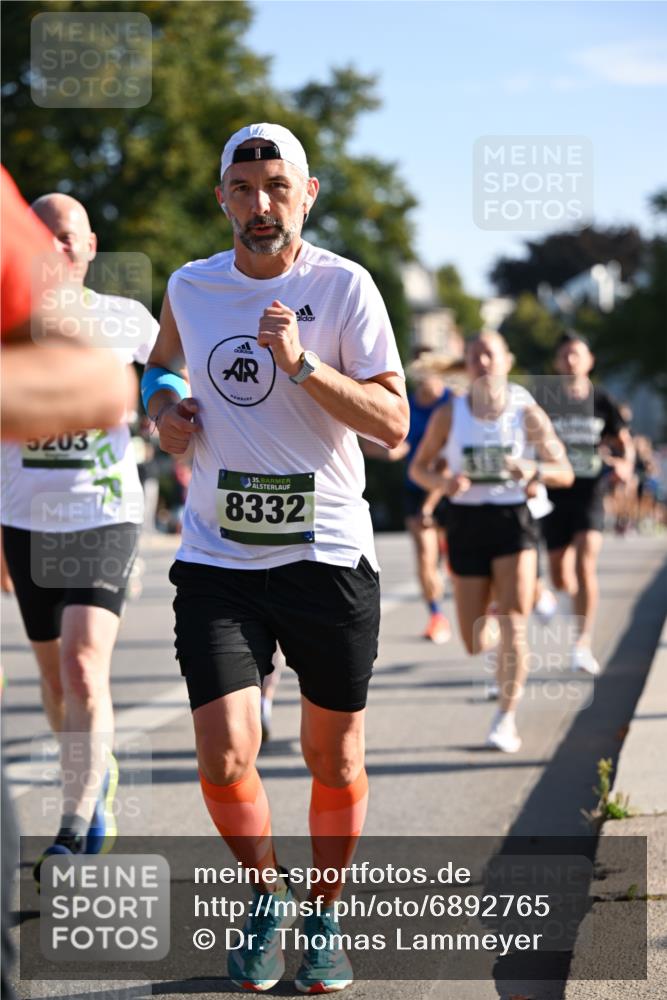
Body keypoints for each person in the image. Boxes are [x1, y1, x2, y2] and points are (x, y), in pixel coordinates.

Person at [142, 123, 407, 994]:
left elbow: (394, 425)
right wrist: (168, 409)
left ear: (308, 193)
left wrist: (299, 366)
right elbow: (162, 370)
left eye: (277, 187)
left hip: (326, 554)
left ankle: (324, 913)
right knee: (223, 752)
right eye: (244, 189)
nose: (261, 206)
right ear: (222, 198)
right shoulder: (190, 284)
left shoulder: (344, 286)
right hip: (219, 558)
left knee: (332, 759)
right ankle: (267, 894)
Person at [0, 168, 135, 1000]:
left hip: (101, 516)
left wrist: (174, 407)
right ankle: (92, 767)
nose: (55, 245)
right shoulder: (10, 321)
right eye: (41, 233)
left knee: (86, 669)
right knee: (55, 683)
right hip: (24, 519)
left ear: (88, 249)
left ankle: (77, 819)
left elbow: (158, 382)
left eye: (68, 235)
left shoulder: (122, 320)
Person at [410, 331, 573, 753]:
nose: (482, 361)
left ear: (506, 359)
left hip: (512, 519)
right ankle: (520, 598)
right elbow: (418, 470)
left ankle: (505, 718)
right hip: (465, 522)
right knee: (473, 639)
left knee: (514, 625)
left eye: (489, 353)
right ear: (466, 363)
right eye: (474, 354)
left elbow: (564, 470)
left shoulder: (526, 412)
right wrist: (443, 481)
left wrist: (533, 472)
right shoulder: (451, 414)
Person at [536, 331, 634, 675]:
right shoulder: (545, 400)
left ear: (589, 360)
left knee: (585, 564)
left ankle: (582, 644)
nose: (571, 360)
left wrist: (624, 465)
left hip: (590, 493)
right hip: (553, 496)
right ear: (557, 362)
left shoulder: (602, 400)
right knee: (561, 575)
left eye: (577, 354)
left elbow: (623, 443)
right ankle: (569, 601)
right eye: (565, 355)